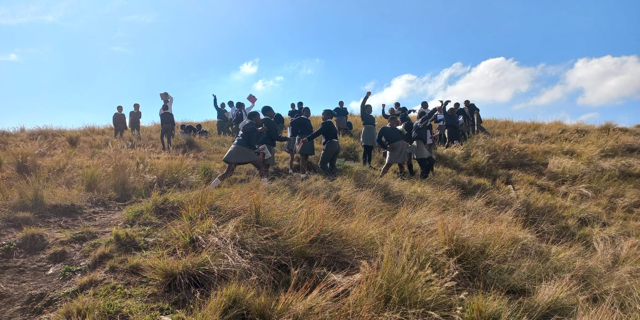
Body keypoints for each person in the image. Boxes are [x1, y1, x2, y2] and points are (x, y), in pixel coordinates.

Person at [210, 111, 268, 188]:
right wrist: (258, 130)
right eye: (258, 116)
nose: (260, 118)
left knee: (228, 173)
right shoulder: (251, 122)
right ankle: (266, 186)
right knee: (261, 167)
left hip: (237, 147)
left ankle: (211, 187)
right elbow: (245, 129)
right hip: (244, 149)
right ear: (253, 117)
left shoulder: (246, 122)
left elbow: (248, 137)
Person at [301, 109, 340, 178]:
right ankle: (334, 178)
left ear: (328, 116)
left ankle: (331, 178)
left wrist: (307, 139)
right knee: (332, 165)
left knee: (322, 164)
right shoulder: (332, 125)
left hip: (330, 144)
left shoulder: (325, 124)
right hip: (336, 145)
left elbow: (317, 133)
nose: (322, 116)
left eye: (323, 115)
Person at [256, 106, 290, 180]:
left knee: (261, 163)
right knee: (266, 164)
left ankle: (261, 180)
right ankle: (265, 182)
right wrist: (285, 138)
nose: (273, 113)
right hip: (267, 145)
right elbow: (275, 136)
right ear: (267, 112)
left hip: (258, 145)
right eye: (272, 112)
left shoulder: (259, 121)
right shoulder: (271, 122)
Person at [412, 108, 438, 179]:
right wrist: (435, 109)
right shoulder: (420, 122)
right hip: (418, 144)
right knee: (425, 164)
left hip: (420, 144)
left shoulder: (419, 123)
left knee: (430, 161)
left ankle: (423, 178)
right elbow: (427, 117)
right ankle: (423, 179)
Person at [291, 107, 314, 179]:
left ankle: (304, 173)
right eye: (306, 111)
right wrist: (298, 132)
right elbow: (292, 123)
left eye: (309, 111)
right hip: (303, 138)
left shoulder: (308, 120)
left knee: (306, 156)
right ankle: (303, 175)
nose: (308, 113)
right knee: (303, 156)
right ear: (303, 112)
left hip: (308, 138)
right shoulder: (301, 118)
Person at [360, 92, 376, 169]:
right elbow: (362, 105)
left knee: (370, 149)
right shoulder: (364, 114)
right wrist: (366, 97)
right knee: (366, 148)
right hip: (366, 131)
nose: (371, 110)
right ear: (365, 109)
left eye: (371, 109)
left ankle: (369, 164)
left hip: (372, 132)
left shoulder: (372, 117)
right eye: (369, 108)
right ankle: (364, 164)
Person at [285, 103, 301, 174]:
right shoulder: (299, 125)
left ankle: (290, 169)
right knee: (302, 155)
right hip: (297, 139)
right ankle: (302, 170)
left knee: (292, 156)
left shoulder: (292, 124)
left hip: (292, 138)